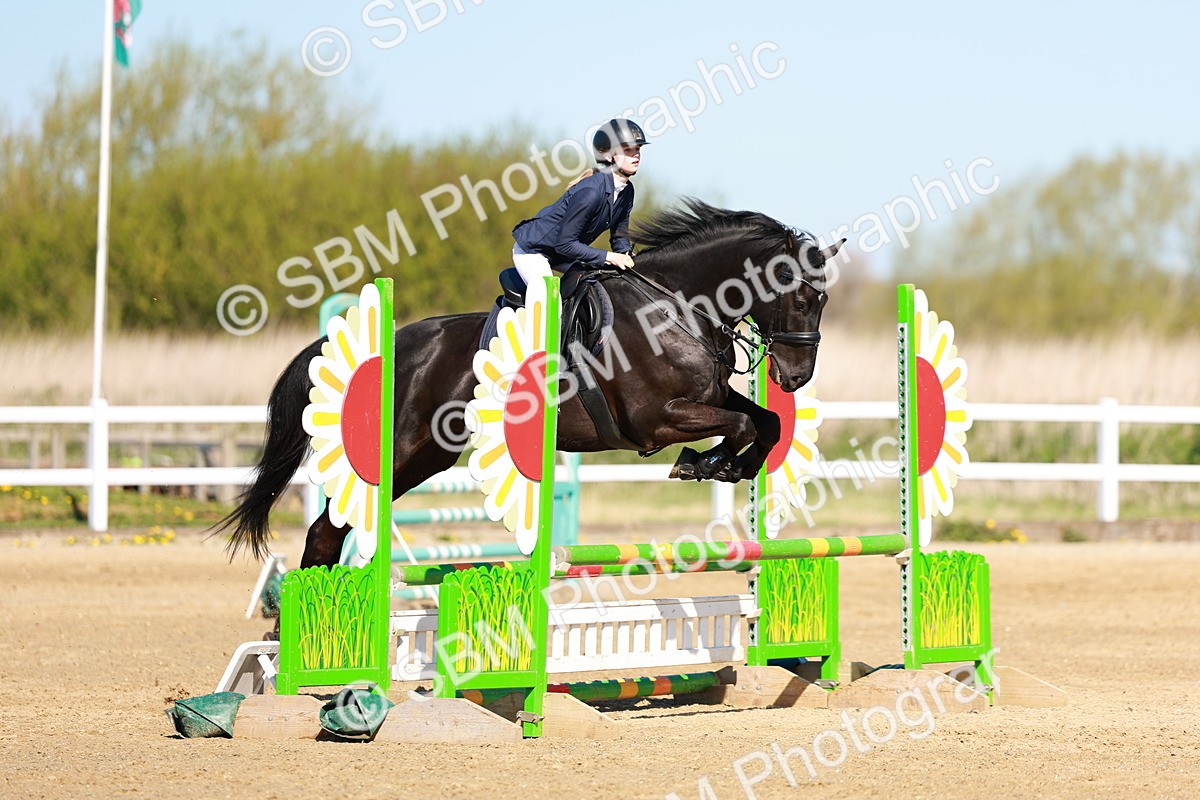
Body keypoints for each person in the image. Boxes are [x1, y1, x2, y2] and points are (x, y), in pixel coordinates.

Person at [511, 118, 648, 284]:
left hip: (565, 255)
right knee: (549, 295)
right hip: (535, 251)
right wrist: (610, 257)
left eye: (638, 148)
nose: (636, 155)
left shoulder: (627, 191)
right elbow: (565, 244)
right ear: (608, 155)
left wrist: (626, 255)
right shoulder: (591, 192)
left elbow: (619, 237)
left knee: (598, 283)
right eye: (627, 149)